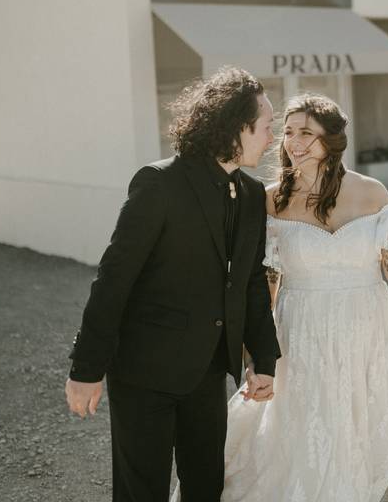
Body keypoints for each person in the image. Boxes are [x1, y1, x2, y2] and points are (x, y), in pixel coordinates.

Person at [172, 93, 388, 502]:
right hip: (301, 335)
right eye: (287, 132)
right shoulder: (270, 200)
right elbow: (265, 284)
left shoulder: (372, 194)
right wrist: (257, 359)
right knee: (303, 436)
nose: (293, 142)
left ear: (333, 139)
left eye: (306, 132)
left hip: (366, 333)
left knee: (356, 435)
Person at [65, 66, 282, 501]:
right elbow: (113, 279)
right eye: (265, 127)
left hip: (206, 372)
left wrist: (264, 357)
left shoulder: (254, 195)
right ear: (237, 127)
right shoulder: (160, 183)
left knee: (205, 488)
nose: (271, 138)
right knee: (141, 491)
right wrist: (86, 370)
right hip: (144, 373)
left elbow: (252, 280)